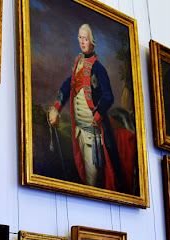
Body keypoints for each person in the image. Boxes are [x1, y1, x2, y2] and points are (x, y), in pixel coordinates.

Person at [48, 24, 124, 191]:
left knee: (92, 182)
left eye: (86, 39)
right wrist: (55, 108)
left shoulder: (98, 68)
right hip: (79, 132)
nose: (82, 42)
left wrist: (97, 116)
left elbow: (108, 96)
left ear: (92, 42)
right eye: (80, 38)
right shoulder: (79, 63)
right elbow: (68, 84)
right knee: (84, 175)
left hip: (93, 135)